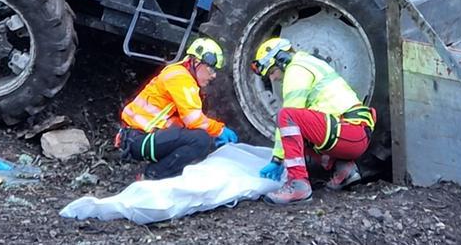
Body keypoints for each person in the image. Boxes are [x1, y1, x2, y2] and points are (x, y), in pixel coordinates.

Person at [252, 38, 376, 205]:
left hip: (348, 131)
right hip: (354, 133)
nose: (273, 79)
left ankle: (298, 184)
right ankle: (344, 169)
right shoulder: (308, 62)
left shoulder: (296, 70)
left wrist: (277, 158)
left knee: (286, 116)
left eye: (272, 72)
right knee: (301, 129)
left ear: (281, 60)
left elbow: (289, 117)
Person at [115, 37, 239, 180]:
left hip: (137, 137)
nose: (214, 75)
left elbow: (180, 122)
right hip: (138, 140)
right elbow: (194, 120)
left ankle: (162, 173)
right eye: (211, 69)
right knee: (200, 140)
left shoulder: (181, 76)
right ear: (197, 62)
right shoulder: (180, 78)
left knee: (199, 137)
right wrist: (219, 130)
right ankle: (152, 176)